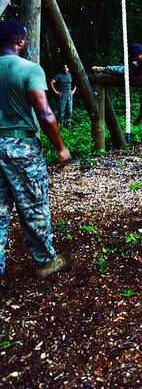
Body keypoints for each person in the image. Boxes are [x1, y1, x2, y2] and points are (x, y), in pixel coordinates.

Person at [0, 20, 72, 281]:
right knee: (34, 205)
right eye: (26, 39)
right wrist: (61, 148)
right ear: (19, 41)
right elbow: (44, 112)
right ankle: (46, 261)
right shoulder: (29, 69)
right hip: (21, 147)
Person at [92, 44, 142, 125]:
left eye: (138, 56)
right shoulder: (134, 58)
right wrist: (140, 72)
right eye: (135, 57)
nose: (137, 59)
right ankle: (104, 69)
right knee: (122, 70)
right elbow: (130, 62)